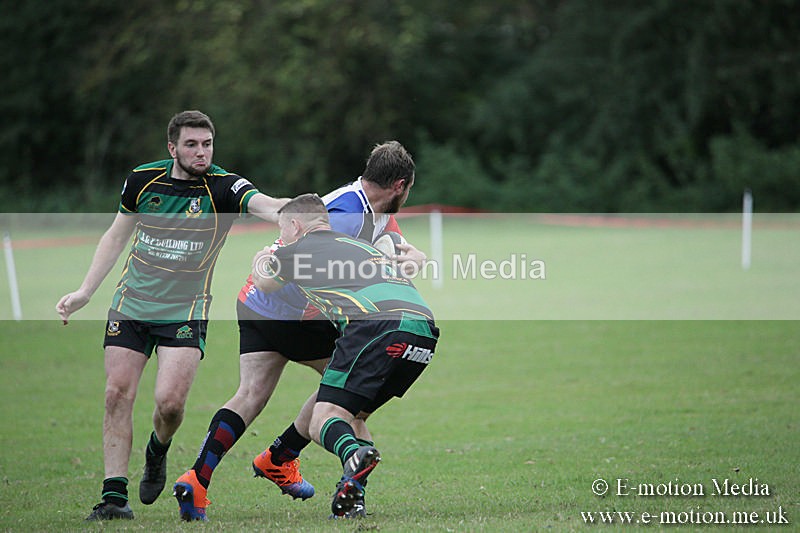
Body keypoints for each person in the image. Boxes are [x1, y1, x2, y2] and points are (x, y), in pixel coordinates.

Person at [172, 141, 426, 521]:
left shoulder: (371, 206)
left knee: (250, 394)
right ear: (400, 186)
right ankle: (298, 466)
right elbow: (306, 261)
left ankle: (197, 478)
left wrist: (415, 254)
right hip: (291, 310)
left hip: (255, 304)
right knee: (348, 399)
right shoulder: (344, 213)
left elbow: (390, 239)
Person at [55, 110, 288, 521]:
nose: (201, 152)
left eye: (207, 144)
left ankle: (157, 450)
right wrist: (85, 291)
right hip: (132, 304)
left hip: (185, 310)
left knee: (170, 405)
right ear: (173, 148)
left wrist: (305, 213)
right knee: (116, 394)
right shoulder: (142, 180)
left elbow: (267, 205)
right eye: (192, 145)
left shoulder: (223, 186)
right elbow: (116, 235)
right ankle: (113, 498)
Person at [251, 193, 439, 518]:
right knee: (355, 416)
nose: (281, 237)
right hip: (422, 332)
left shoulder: (298, 249)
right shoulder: (362, 245)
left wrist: (261, 259)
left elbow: (265, 284)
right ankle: (352, 502)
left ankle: (354, 453)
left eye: (283, 230)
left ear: (295, 226)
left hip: (376, 327)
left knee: (321, 420)